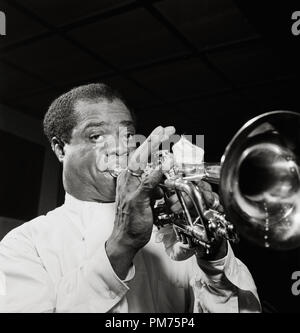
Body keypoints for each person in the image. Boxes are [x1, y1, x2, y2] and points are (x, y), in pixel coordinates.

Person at [0, 83, 261, 313]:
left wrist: (213, 254)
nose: (121, 147)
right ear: (60, 148)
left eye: (128, 135)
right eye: (96, 136)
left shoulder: (175, 232)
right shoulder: (24, 245)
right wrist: (122, 244)